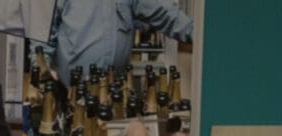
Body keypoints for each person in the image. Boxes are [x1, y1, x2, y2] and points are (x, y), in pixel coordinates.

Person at [45, 0, 193, 90]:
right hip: (71, 92)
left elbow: (164, 13)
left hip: (115, 93)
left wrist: (198, 33)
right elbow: (43, 30)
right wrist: (43, 73)